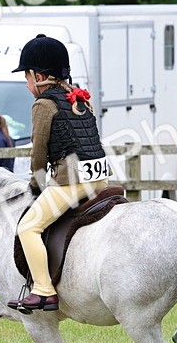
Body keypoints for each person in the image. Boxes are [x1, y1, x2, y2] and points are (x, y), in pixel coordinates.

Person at [8, 34, 108, 312]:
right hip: (100, 178)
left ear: (38, 76)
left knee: (28, 228)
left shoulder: (44, 105)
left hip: (71, 181)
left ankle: (42, 289)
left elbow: (38, 154)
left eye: (26, 76)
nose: (26, 83)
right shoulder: (79, 98)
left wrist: (36, 184)